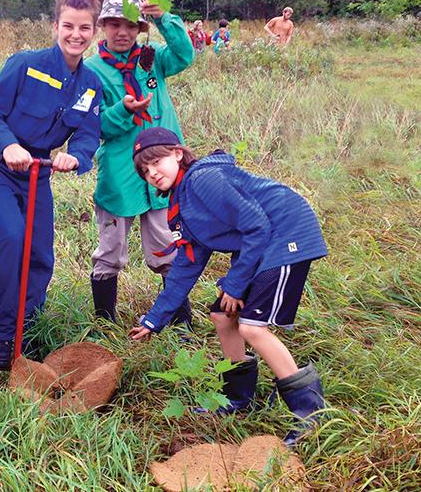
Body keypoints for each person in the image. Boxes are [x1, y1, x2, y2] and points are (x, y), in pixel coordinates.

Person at [128, 128, 328, 447]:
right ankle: (238, 399)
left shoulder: (202, 181)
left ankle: (310, 415)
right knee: (223, 316)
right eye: (144, 170)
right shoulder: (182, 206)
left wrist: (235, 285)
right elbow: (187, 266)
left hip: (286, 234)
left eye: (156, 162)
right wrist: (154, 320)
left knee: (252, 327)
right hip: (261, 243)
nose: (151, 172)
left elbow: (258, 226)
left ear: (177, 154)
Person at [0, 0, 104, 371]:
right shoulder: (24, 65)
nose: (76, 35)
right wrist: (8, 145)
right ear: (55, 26)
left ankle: (26, 328)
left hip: (37, 170)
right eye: (68, 27)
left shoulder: (91, 84)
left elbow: (88, 132)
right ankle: (2, 339)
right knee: (12, 236)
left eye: (84, 28)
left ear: (93, 32)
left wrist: (75, 156)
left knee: (40, 253)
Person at [86, 0, 195, 326]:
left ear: (140, 29)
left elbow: (185, 55)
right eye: (115, 24)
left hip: (163, 173)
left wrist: (164, 18)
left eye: (131, 25)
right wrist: (123, 110)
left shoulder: (154, 58)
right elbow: (94, 126)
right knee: (110, 252)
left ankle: (181, 324)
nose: (123, 32)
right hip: (121, 175)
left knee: (166, 248)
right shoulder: (91, 71)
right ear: (103, 25)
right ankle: (105, 325)